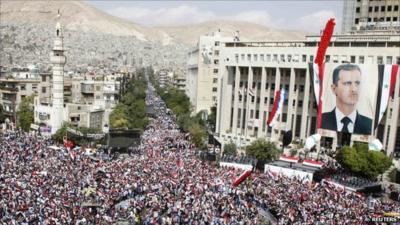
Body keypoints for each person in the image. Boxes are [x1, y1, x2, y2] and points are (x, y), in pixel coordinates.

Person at [321, 64, 372, 135]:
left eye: (357, 83)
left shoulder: (369, 125)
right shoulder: (322, 120)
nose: (354, 89)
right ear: (334, 89)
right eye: (347, 83)